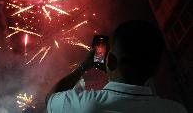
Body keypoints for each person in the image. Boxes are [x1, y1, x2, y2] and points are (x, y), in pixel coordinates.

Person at [46, 20, 187, 113]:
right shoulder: (176, 110)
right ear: (155, 69)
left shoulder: (85, 105)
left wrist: (83, 66)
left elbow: (50, 98)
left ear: (111, 61)